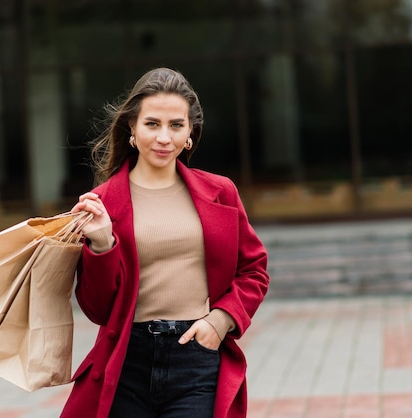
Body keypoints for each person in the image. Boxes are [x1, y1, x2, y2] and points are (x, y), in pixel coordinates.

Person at [61, 67, 269, 418]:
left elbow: (254, 270)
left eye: (176, 125)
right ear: (132, 128)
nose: (164, 138)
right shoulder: (100, 204)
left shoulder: (221, 193)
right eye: (152, 124)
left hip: (197, 357)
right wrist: (101, 244)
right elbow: (97, 309)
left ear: (190, 133)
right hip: (127, 361)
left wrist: (220, 322)